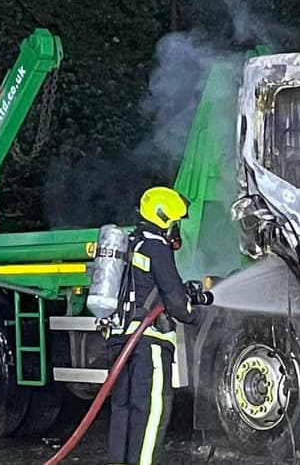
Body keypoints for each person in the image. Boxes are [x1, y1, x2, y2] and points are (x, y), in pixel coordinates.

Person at [105, 186, 203, 465]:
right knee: (150, 412)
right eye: (174, 222)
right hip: (147, 343)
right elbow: (175, 300)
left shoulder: (130, 242)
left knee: (122, 410)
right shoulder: (156, 247)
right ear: (163, 219)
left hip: (119, 340)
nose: (176, 229)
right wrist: (194, 315)